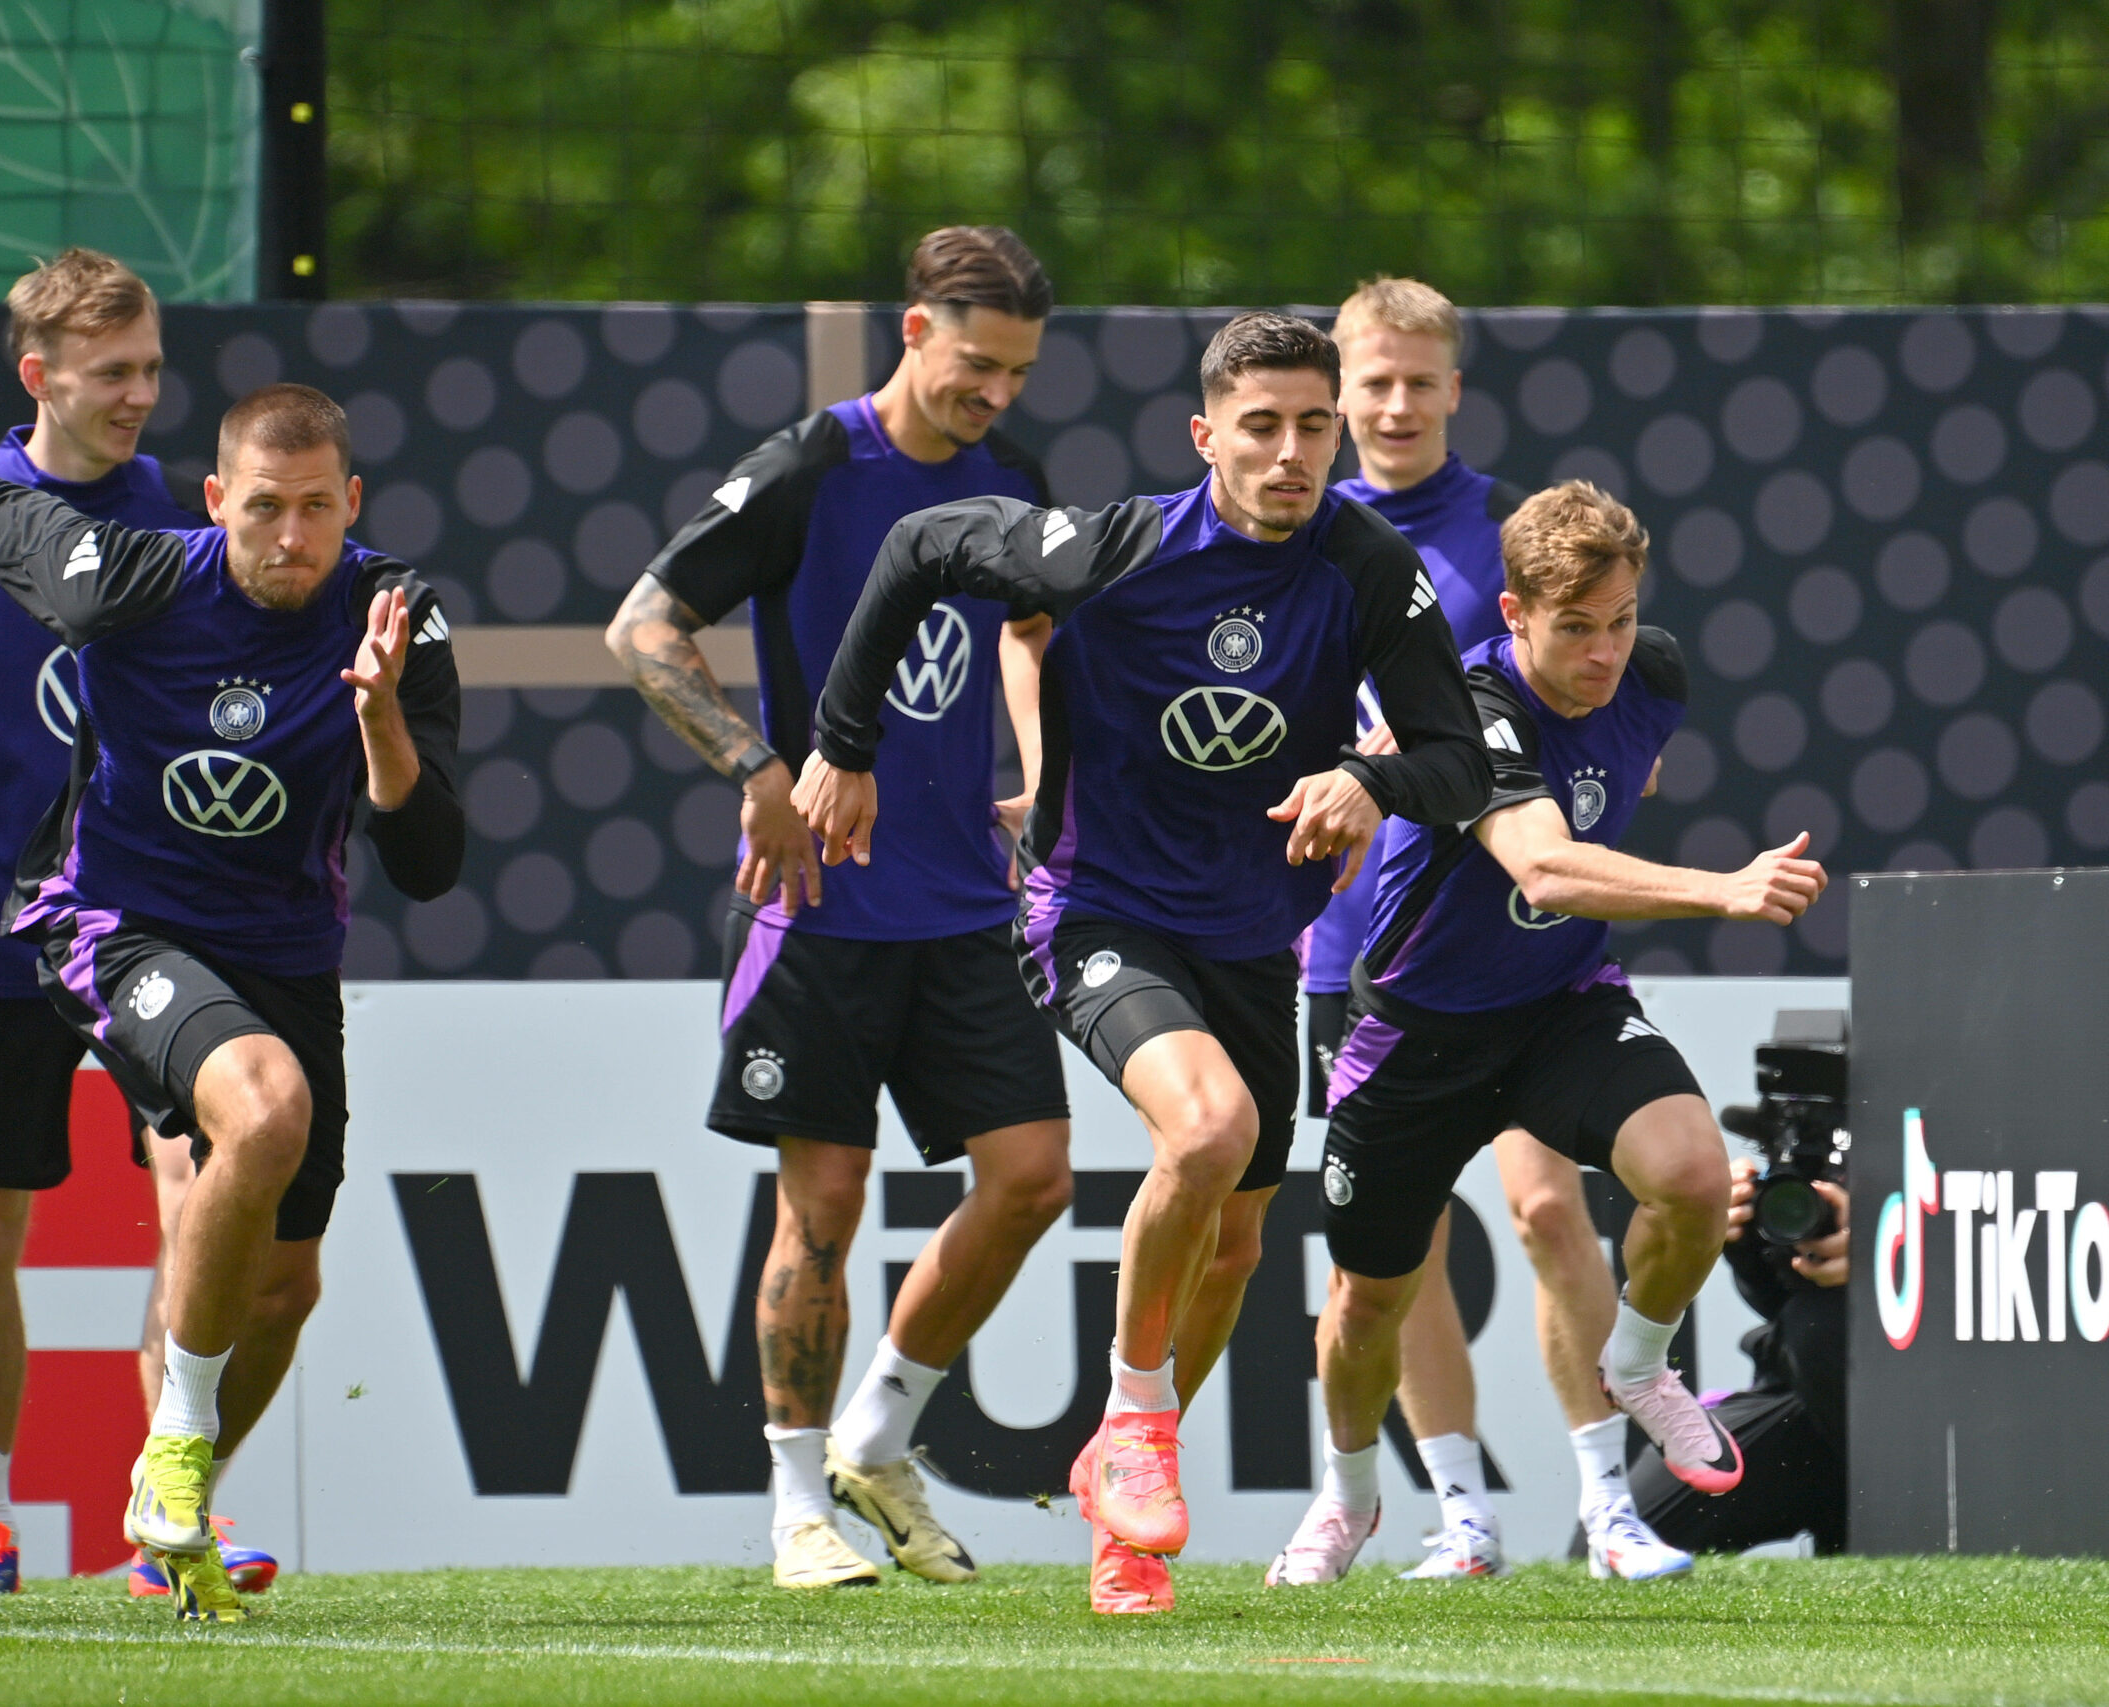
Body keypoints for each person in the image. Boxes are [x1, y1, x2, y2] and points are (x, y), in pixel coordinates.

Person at [0, 382, 464, 1623]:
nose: (291, 536)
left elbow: (429, 864)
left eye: (317, 508)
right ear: (215, 503)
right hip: (110, 924)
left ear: (352, 505)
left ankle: (171, 1494)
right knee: (263, 1112)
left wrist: (381, 723)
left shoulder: (397, 615)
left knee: (288, 1284)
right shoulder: (125, 574)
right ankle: (159, 1470)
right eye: (264, 507)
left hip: (284, 950)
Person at [794, 310, 1492, 1613]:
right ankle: (1134, 1428)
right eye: (1262, 426)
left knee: (1232, 1242)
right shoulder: (1110, 550)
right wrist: (844, 739)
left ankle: (1124, 1518)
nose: (1291, 451)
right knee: (1212, 1125)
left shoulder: (1364, 560)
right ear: (1205, 435)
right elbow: (913, 545)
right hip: (1095, 907)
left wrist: (1367, 776)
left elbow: (1458, 762)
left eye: (1313, 425)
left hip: (1251, 938)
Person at [606, 227, 1072, 1591]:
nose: (995, 393)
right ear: (915, 331)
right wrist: (756, 767)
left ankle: (879, 1430)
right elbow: (642, 626)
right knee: (824, 1202)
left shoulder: (1010, 479)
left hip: (963, 905)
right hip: (820, 907)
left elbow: (1035, 636)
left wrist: (1035, 786)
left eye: (1019, 372)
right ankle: (798, 1502)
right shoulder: (812, 464)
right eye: (977, 364)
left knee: (1035, 1171)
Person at [1267, 481, 1828, 1588]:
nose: (1605, 650)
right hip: (1416, 1033)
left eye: (1620, 620)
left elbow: (1627, 763)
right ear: (1514, 614)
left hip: (1561, 1007)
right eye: (1574, 627)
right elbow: (1543, 863)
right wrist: (1722, 890)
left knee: (1686, 1171)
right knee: (1367, 1303)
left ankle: (1637, 1365)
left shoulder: (1653, 671)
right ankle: (1349, 1497)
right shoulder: (1467, 709)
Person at [0, 247, 282, 1599]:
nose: (140, 397)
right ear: (38, 375)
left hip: (144, 924)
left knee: (196, 1195)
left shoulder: (179, 509)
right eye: (113, 375)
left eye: (152, 369)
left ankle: (168, 1522)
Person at [1298, 277, 1667, 1581]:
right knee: (1400, 1256)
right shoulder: (1280, 524)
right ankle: (1462, 1515)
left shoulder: (1508, 538)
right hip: (1346, 941)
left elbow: (1582, 711)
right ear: (1337, 390)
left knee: (1548, 1205)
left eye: (1419, 380)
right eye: (1372, 382)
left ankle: (1609, 1507)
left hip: (1505, 933)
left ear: (1456, 385)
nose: (1395, 405)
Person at [1628, 1166, 1849, 1554]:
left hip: (1916, 1386)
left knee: (1817, 1332)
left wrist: (1893, 1240)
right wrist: (1744, 1240)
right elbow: (1780, 1301)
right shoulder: (1800, 1131)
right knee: (1625, 1542)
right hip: (1797, 1386)